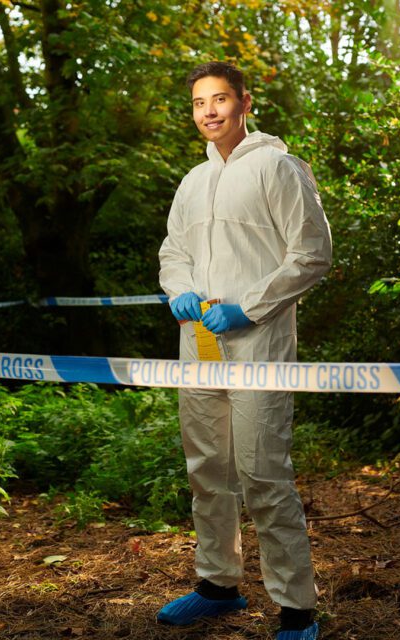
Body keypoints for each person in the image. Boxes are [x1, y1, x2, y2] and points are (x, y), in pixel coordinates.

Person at [157, 61, 332, 640]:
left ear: (245, 102)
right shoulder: (191, 181)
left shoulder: (278, 167)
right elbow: (172, 252)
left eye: (220, 100)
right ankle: (218, 585)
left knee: (262, 472)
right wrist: (180, 291)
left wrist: (250, 306)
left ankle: (296, 609)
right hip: (199, 344)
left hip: (259, 341)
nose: (209, 111)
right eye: (199, 102)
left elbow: (311, 254)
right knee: (207, 467)